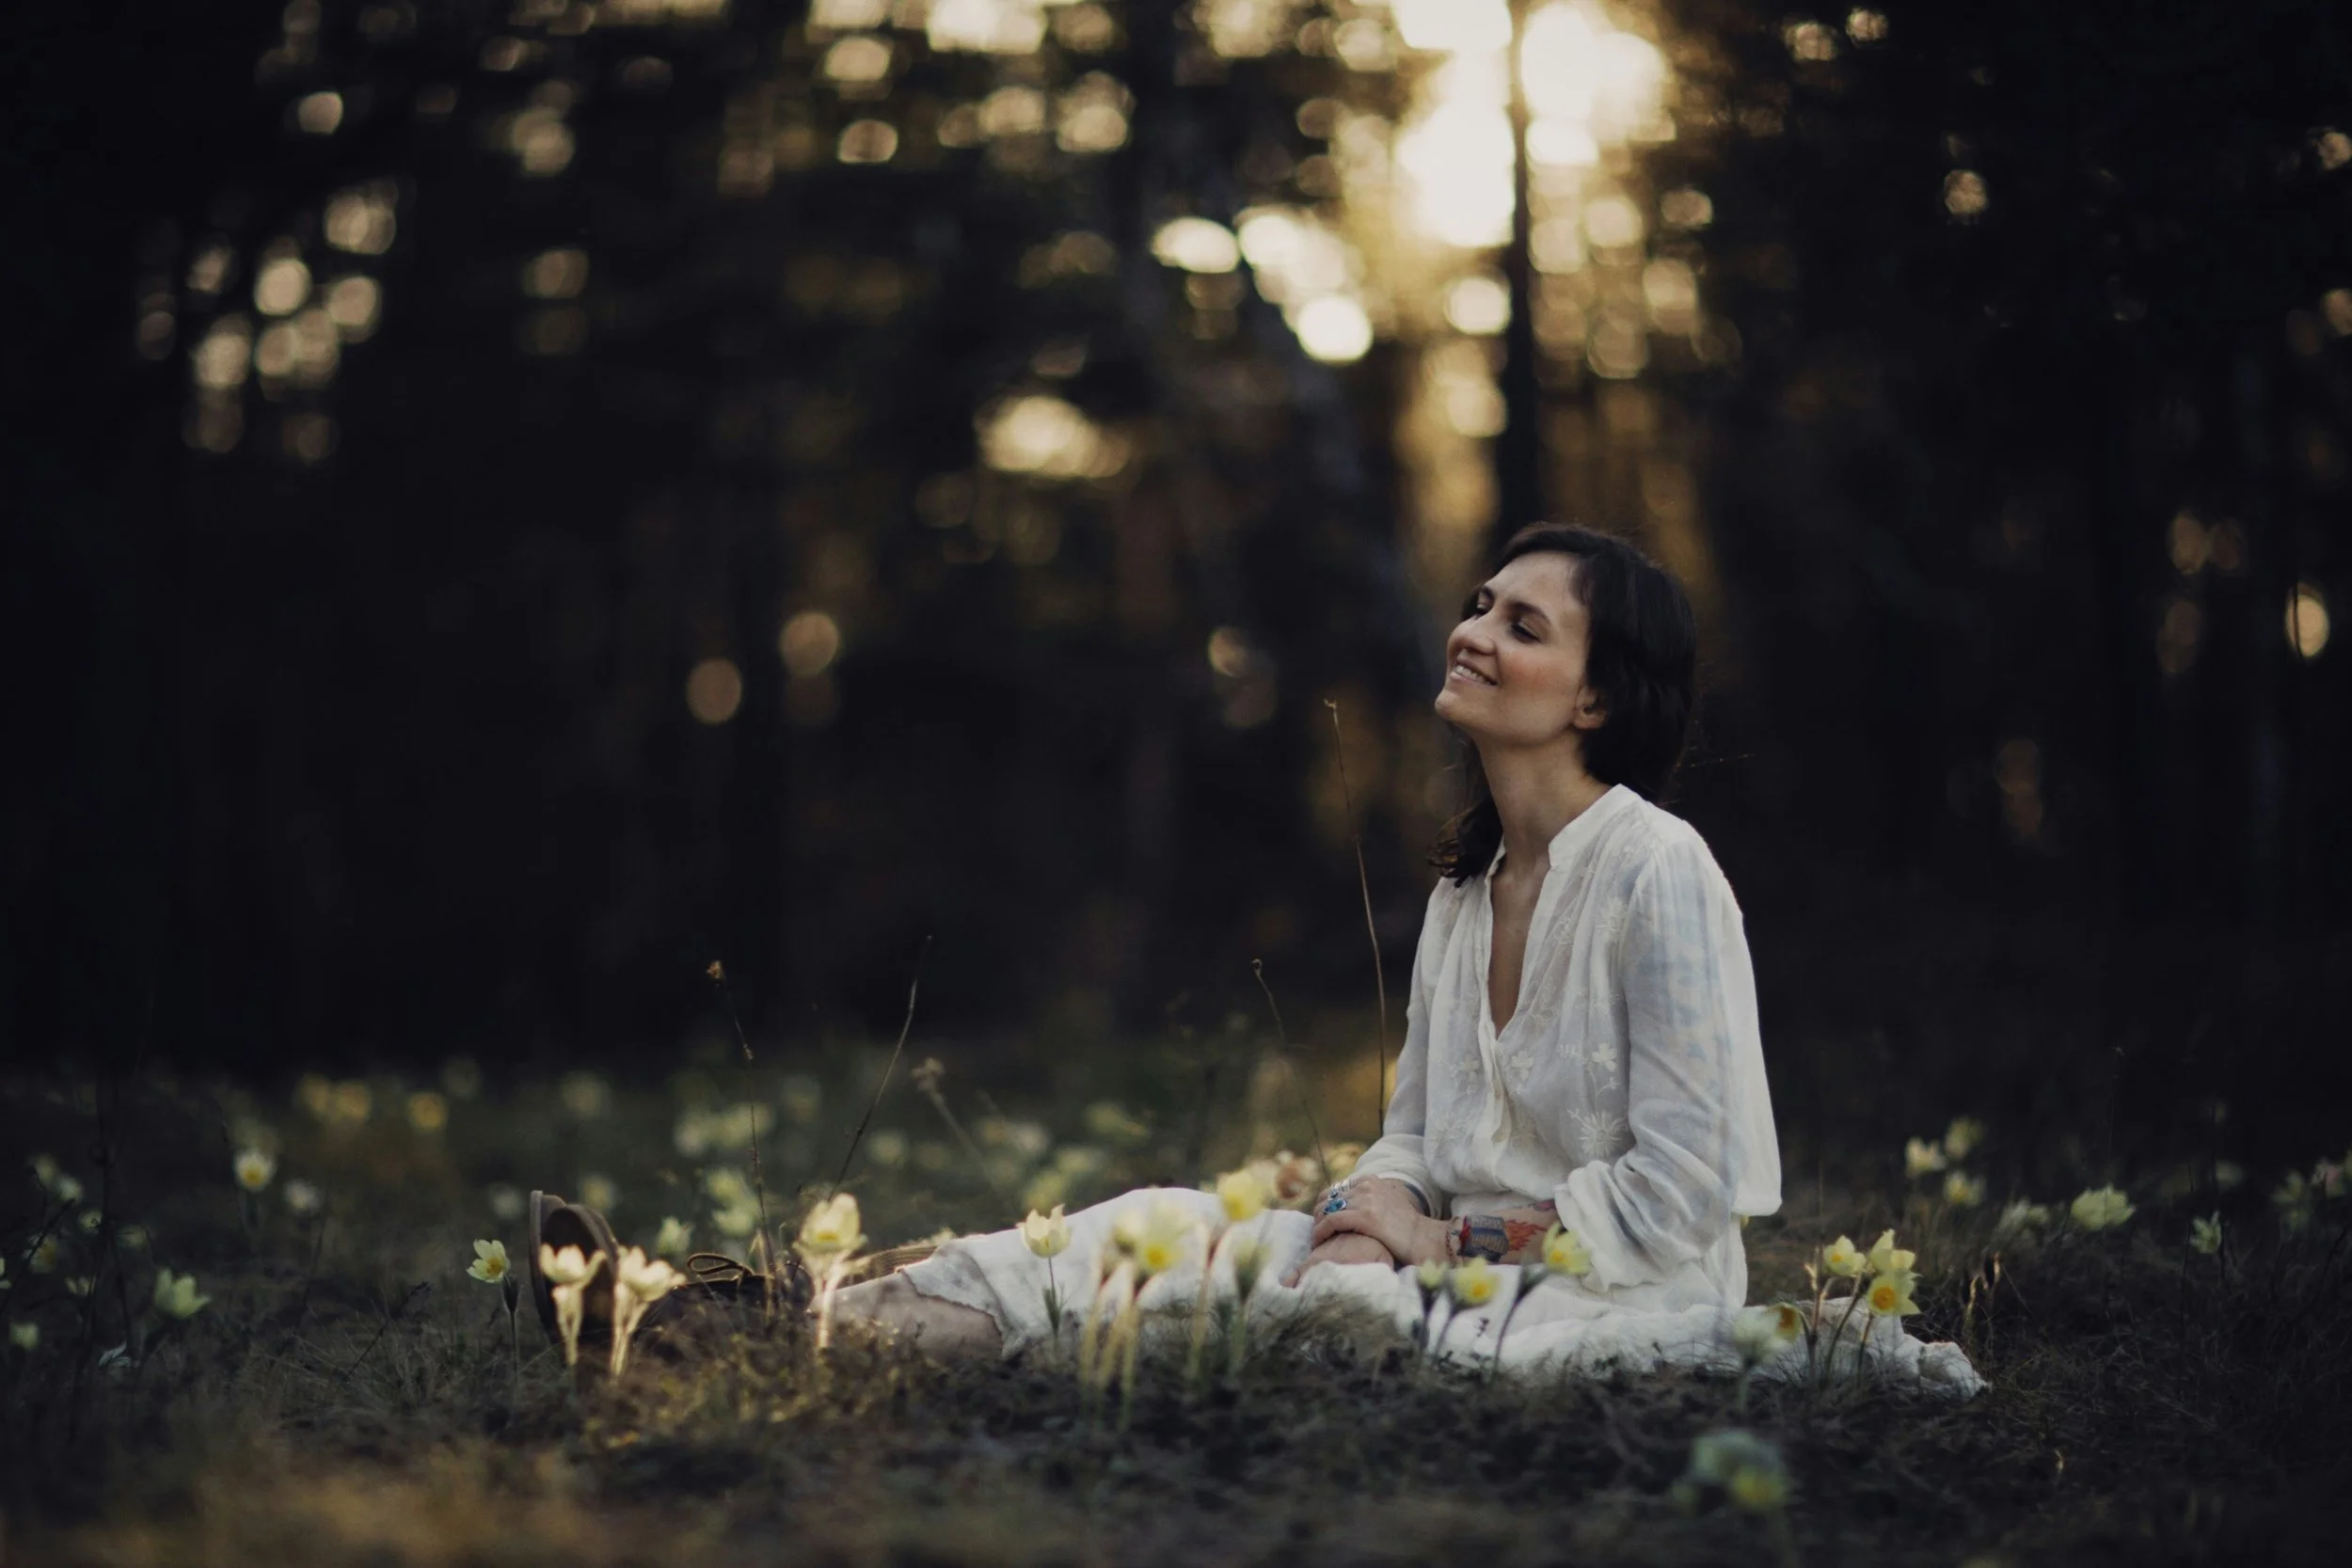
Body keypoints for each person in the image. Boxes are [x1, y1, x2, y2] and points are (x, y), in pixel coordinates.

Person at [532, 524, 1981, 1395]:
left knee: (1265, 1308)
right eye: (1479, 603)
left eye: (1519, 623)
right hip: (1420, 1266)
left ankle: (715, 1342)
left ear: (1598, 691)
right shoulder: (1470, 885)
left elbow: (1690, 1187)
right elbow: (1415, 1131)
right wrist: (1368, 1205)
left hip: (1595, 1300)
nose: (1473, 630)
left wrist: (1441, 1241)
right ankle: (702, 1313)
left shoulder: (1658, 870)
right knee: (1138, 1224)